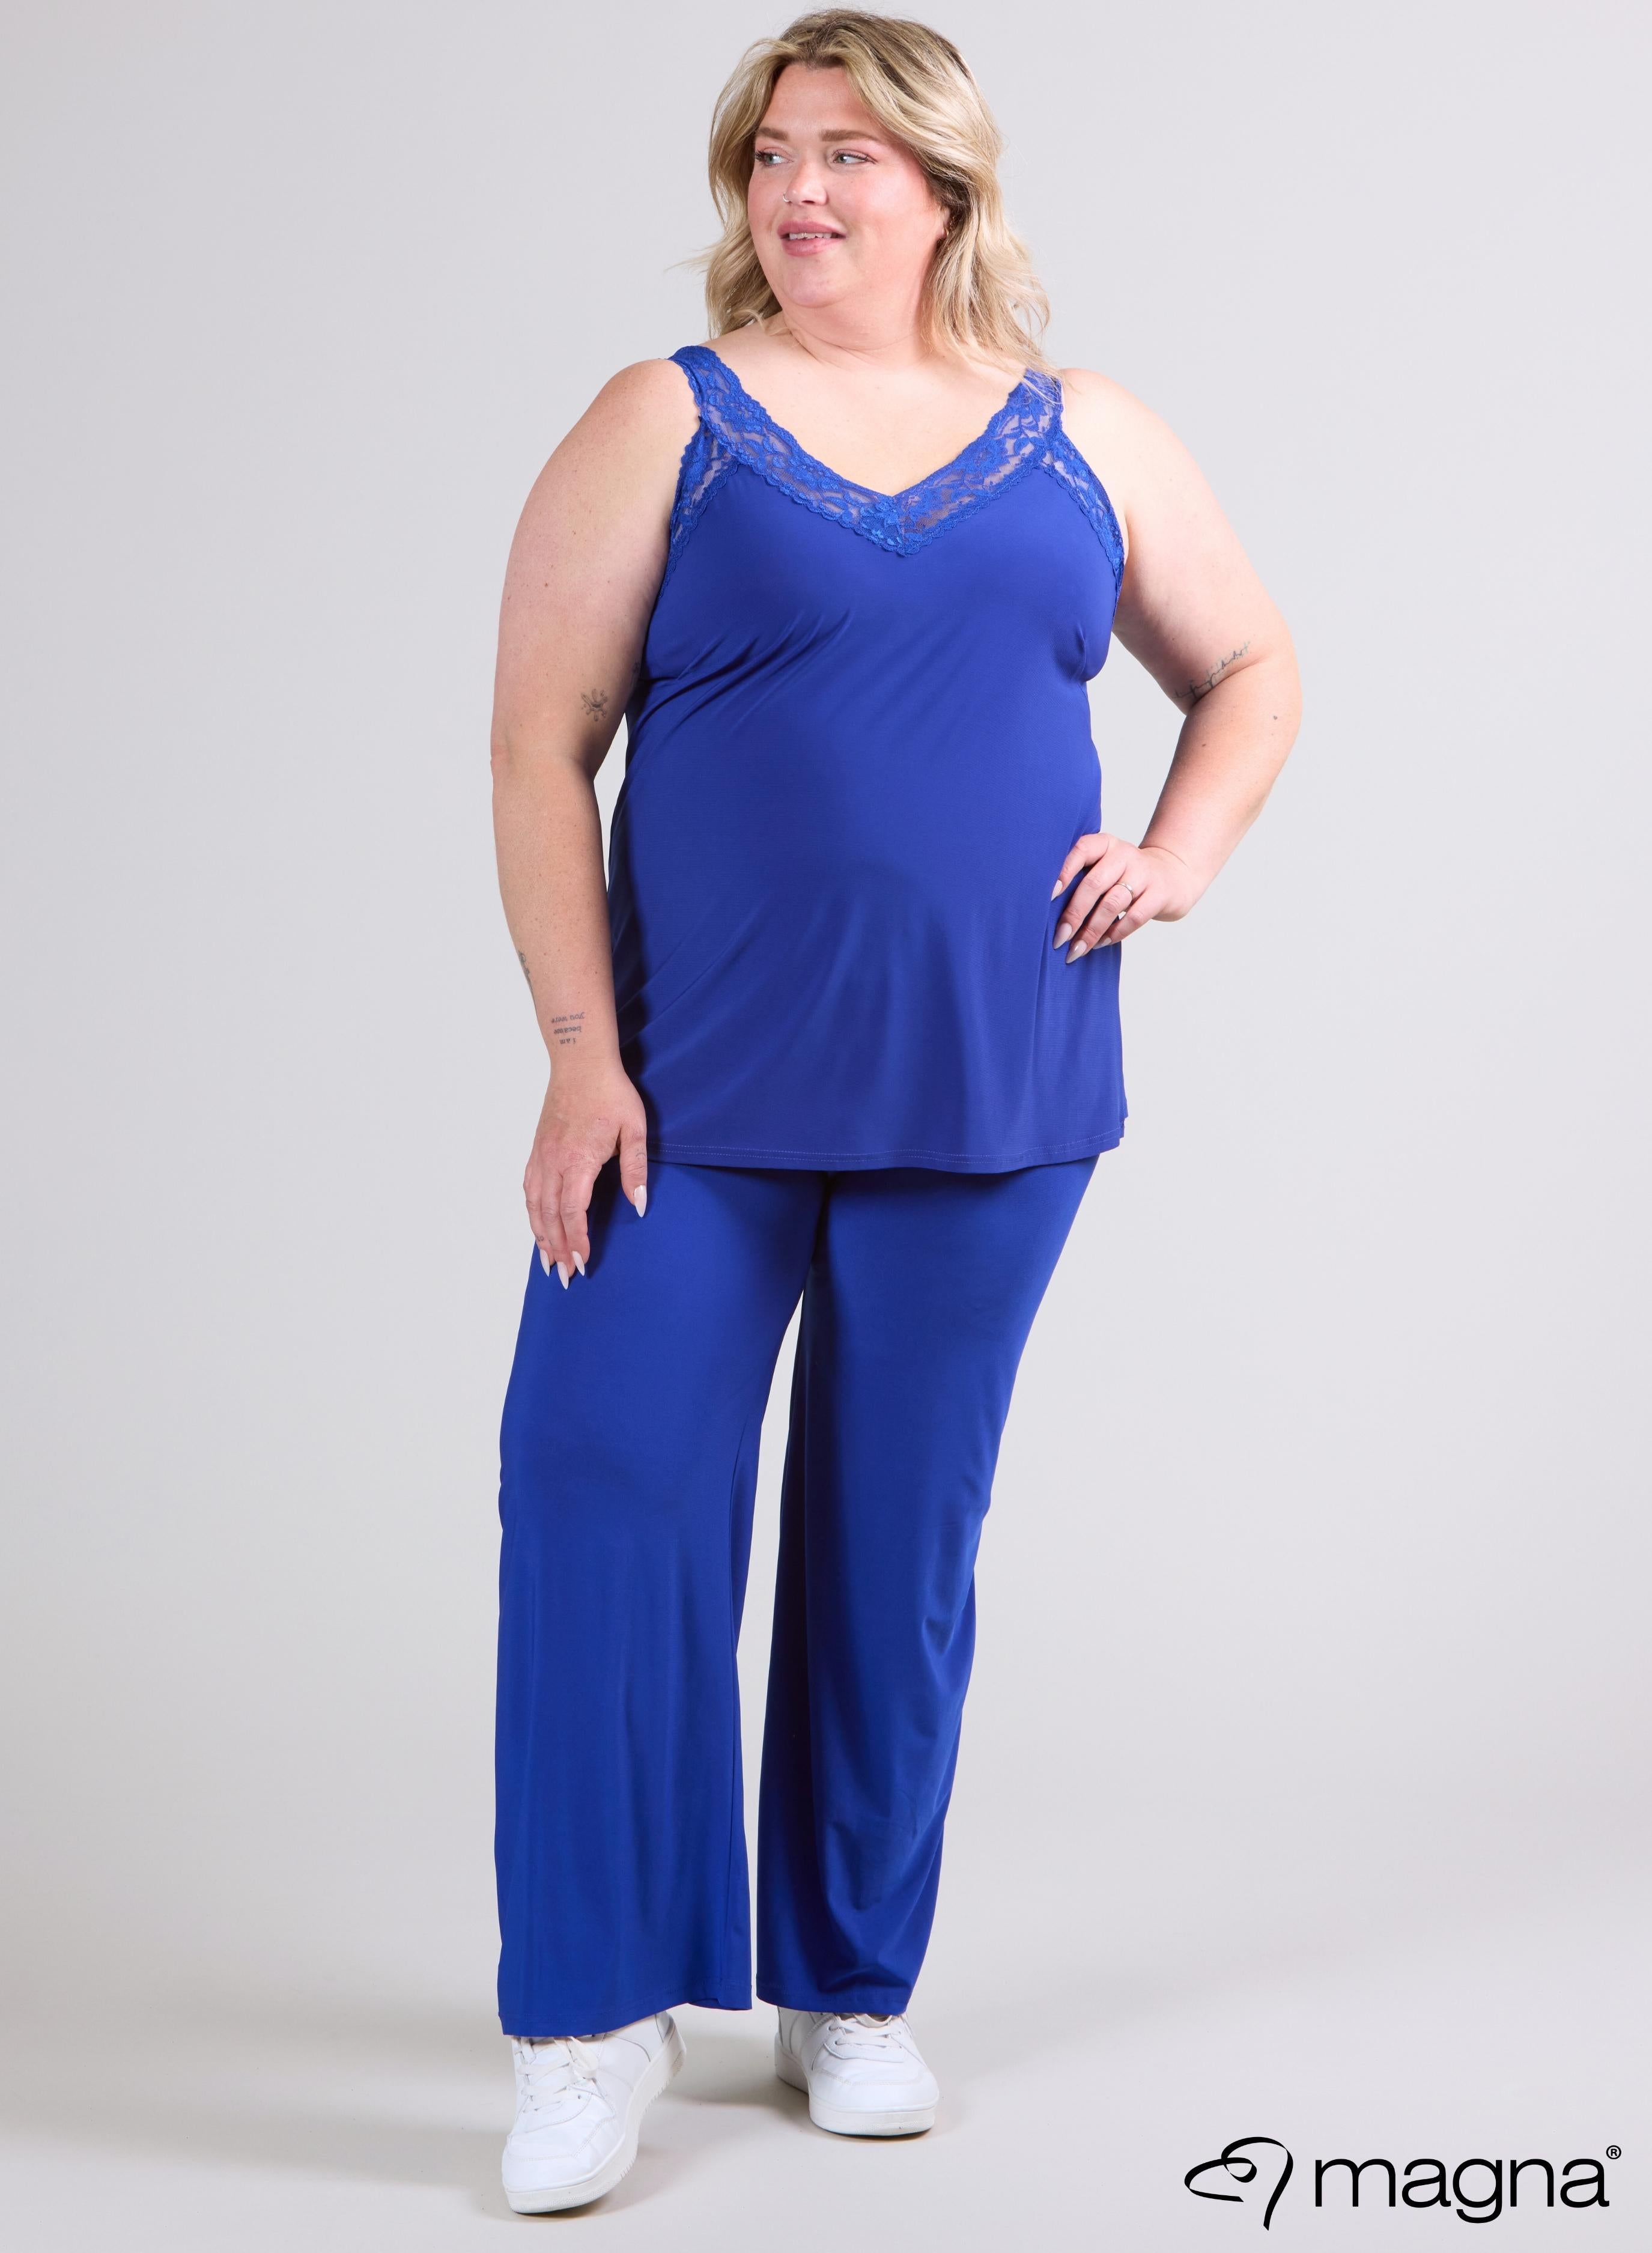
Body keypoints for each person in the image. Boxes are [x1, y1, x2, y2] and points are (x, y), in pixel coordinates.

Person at [487, 7, 1299, 2214]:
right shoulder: (665, 419)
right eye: (771, 153)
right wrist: (578, 1051)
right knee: (604, 1488)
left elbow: (1251, 667)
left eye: (846, 152)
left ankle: (851, 1987)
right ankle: (587, 2021)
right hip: (689, 1094)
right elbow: (541, 740)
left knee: (897, 1539)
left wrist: (1180, 856)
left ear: (946, 187)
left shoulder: (1084, 431)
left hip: (995, 1078)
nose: (800, 188)